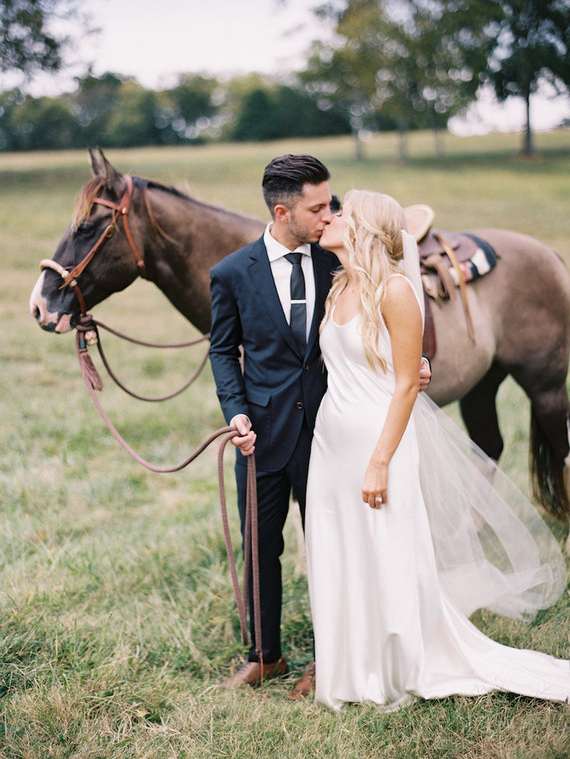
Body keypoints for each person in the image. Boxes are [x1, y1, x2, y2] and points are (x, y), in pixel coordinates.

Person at [305, 189, 569, 710]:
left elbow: (406, 385)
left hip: (378, 443)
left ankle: (398, 663)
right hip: (331, 443)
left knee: (387, 551)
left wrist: (380, 461)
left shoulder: (395, 292)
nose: (328, 217)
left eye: (341, 213)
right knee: (339, 553)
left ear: (362, 228)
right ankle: (351, 666)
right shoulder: (338, 288)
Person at [209, 154, 433, 695]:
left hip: (332, 438)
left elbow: (385, 323)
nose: (329, 214)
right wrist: (236, 413)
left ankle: (332, 655)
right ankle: (264, 654)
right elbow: (222, 350)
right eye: (318, 207)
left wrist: (419, 366)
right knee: (260, 544)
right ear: (283, 211)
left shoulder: (341, 261)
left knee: (335, 546)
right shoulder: (233, 273)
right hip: (260, 434)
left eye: (332, 204)